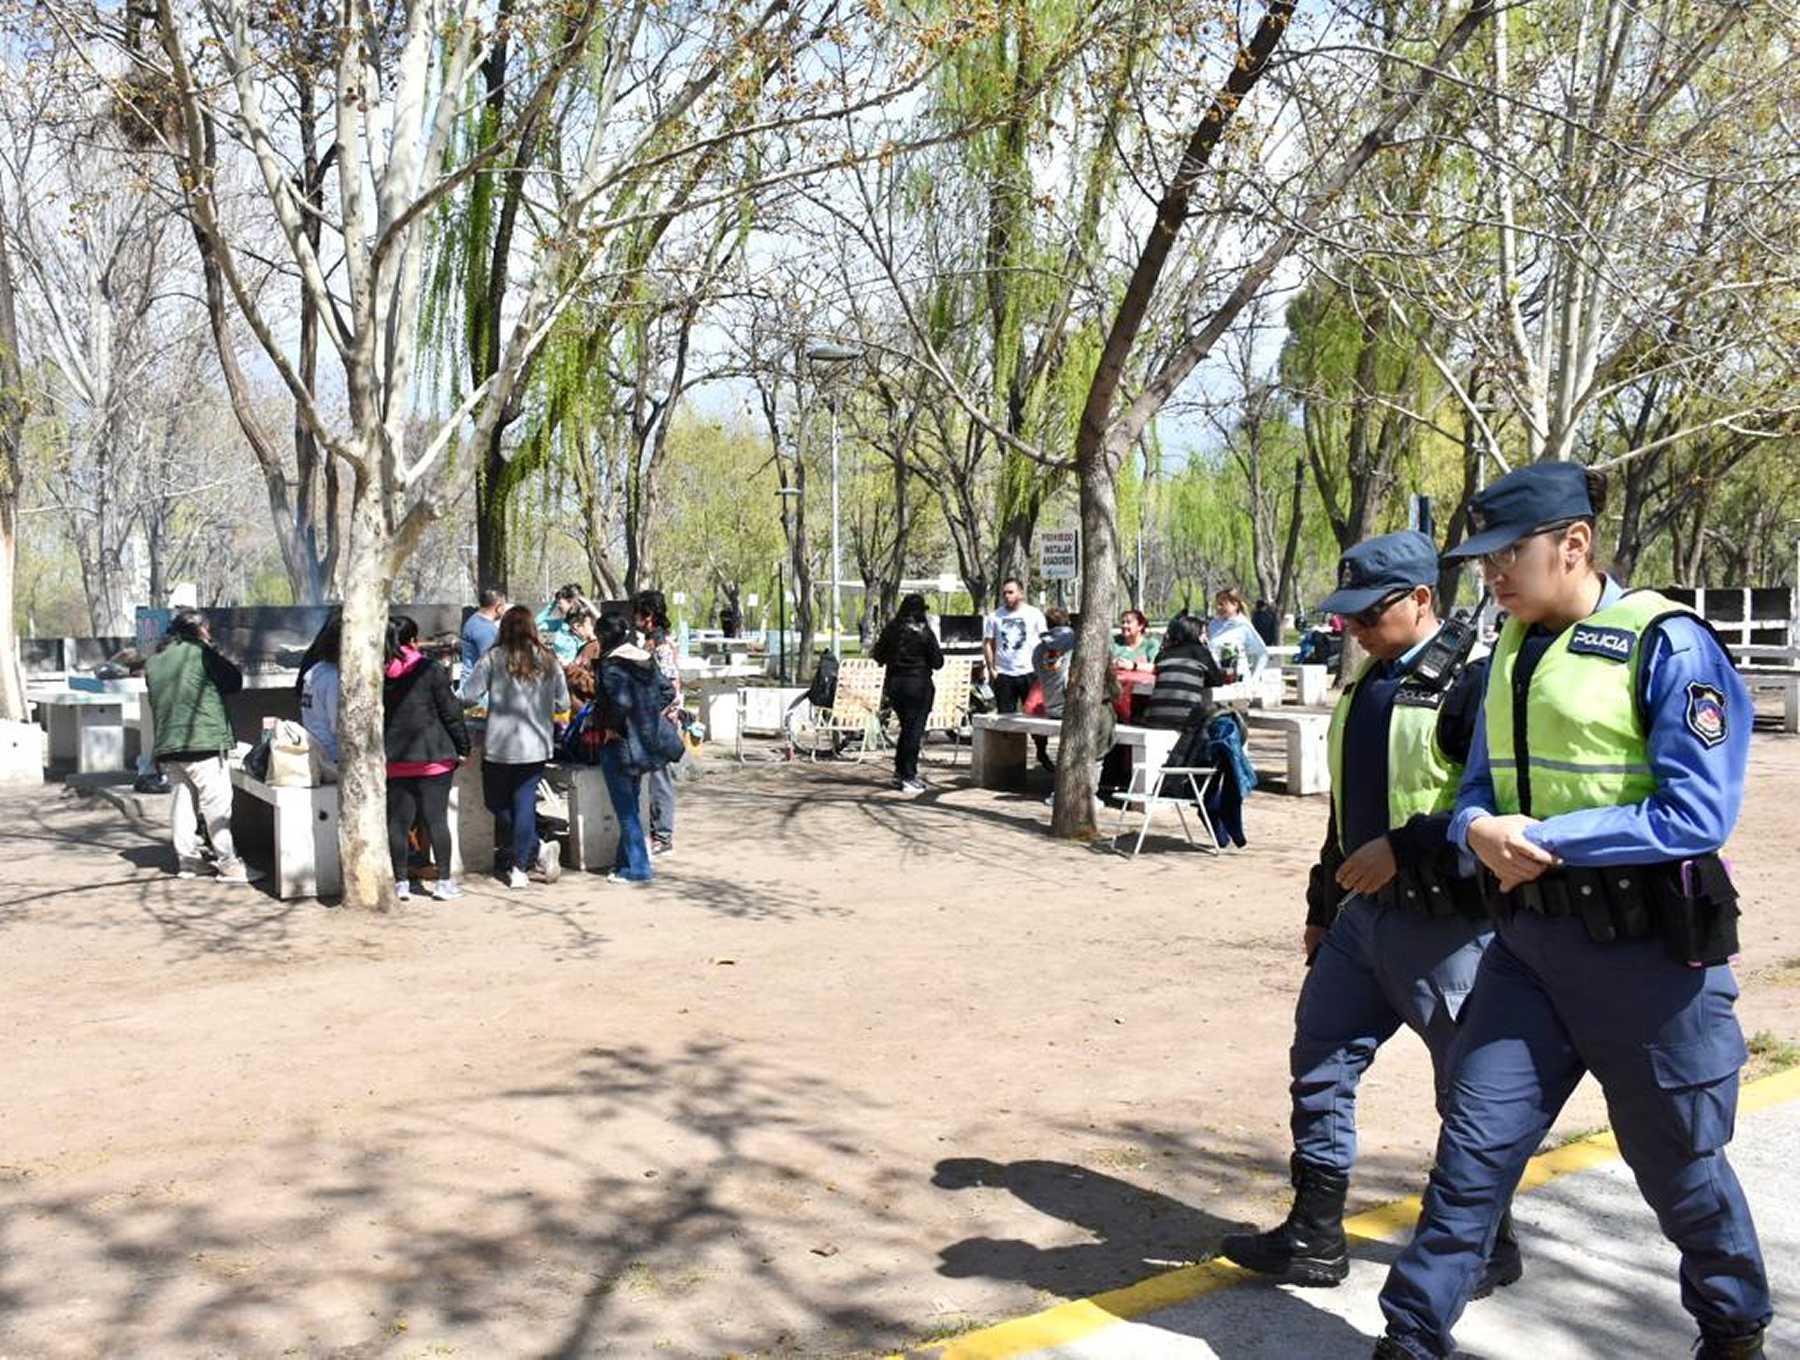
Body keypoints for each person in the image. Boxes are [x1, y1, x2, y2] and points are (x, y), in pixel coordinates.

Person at [1373, 464, 1770, 1360]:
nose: (1493, 579)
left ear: (1575, 545)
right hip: (1530, 952)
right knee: (1472, 1155)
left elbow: (1698, 812)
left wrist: (1550, 839)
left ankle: (1733, 1323)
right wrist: (1477, 829)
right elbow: (1476, 788)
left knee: (1681, 1170)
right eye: (1483, 564)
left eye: (1509, 556)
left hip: (1649, 964)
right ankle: (1408, 1336)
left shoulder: (1667, 643)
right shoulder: (1509, 648)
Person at [1220, 532, 1521, 1297]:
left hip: (1452, 926)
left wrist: (1407, 848)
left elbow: (1496, 814)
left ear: (1421, 599)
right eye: (1348, 612)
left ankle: (1485, 1242)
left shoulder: (1476, 684)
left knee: (1471, 1091)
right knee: (1319, 1059)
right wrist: (1323, 905)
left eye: (1369, 612)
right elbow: (1344, 814)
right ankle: (1315, 1235)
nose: (1353, 627)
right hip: (1362, 919)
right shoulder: (1367, 684)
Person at [143, 610, 260, 884]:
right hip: (203, 742)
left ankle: (189, 861)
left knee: (183, 805)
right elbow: (234, 681)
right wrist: (213, 650)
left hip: (169, 746)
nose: (210, 633)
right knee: (217, 805)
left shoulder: (155, 661)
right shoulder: (201, 653)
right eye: (207, 629)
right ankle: (229, 864)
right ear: (199, 631)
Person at [460, 604, 569, 889]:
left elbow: (469, 695)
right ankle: (529, 858)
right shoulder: (549, 661)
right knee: (523, 803)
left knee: (496, 803)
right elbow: (564, 703)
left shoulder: (493, 659)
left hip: (500, 745)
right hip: (536, 746)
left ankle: (523, 862)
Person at [383, 616, 470, 902]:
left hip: (395, 757)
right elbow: (451, 711)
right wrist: (463, 746)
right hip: (434, 756)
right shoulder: (430, 669)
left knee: (398, 822)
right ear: (413, 640)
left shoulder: (378, 672)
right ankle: (444, 883)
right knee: (436, 820)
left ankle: (401, 884)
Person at [593, 612, 677, 886]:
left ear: (604, 637)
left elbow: (619, 703)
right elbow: (668, 692)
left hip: (619, 744)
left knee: (626, 808)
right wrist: (647, 715)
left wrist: (612, 726)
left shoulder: (610, 665)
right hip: (646, 742)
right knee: (631, 802)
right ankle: (624, 862)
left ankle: (638, 868)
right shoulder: (644, 658)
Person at [870, 592, 944, 793]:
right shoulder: (924, 632)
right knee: (913, 732)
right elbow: (938, 662)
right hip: (918, 685)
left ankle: (899, 772)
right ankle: (908, 775)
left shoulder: (891, 629)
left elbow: (878, 656)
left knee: (906, 729)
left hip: (895, 685)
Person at [633, 590, 683, 855]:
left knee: (659, 778)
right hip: (652, 720)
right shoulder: (652, 644)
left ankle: (663, 836)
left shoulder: (662, 647)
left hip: (659, 722)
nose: (634, 618)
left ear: (648, 616)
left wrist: (654, 716)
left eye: (638, 613)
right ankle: (656, 832)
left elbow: (669, 689)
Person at [983, 578, 1050, 767]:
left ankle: (1041, 752)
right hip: (1004, 674)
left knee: (1036, 717)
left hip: (1029, 672)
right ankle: (1010, 762)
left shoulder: (1034, 614)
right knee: (1007, 720)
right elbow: (988, 643)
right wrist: (992, 668)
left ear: (1020, 593)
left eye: (1011, 592)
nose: (1007, 596)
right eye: (1004, 593)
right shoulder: (995, 616)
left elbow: (1045, 641)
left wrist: (1043, 668)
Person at [1139, 614, 1227, 730]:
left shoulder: (1164, 653)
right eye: (1203, 633)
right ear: (1194, 633)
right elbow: (1217, 680)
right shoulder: (1200, 652)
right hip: (1186, 720)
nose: (1206, 637)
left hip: (1155, 717)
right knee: (1222, 715)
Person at [297, 613, 342, 779]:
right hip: (332, 757)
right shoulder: (334, 678)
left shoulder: (315, 671)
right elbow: (338, 724)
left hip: (316, 750)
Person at [1208, 587, 1269, 678]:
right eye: (1217, 604)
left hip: (1239, 682)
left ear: (1235, 605)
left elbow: (1262, 654)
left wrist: (1254, 679)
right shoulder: (1213, 625)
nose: (1218, 607)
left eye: (1222, 604)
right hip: (1217, 680)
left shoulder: (1243, 625)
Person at [535, 583, 587, 664]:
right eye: (557, 603)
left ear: (571, 602)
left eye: (560, 602)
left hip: (574, 671)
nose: (558, 605)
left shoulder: (584, 626)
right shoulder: (560, 624)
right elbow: (537, 622)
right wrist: (553, 603)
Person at [461, 587, 507, 674]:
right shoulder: (483, 628)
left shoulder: (475, 622)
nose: (505, 610)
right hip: (478, 685)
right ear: (498, 607)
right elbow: (493, 662)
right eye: (504, 606)